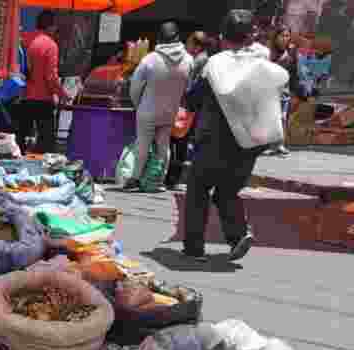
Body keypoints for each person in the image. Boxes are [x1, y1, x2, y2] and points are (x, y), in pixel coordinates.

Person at [183, 9, 285, 262]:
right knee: (227, 191)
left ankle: (194, 248)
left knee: (198, 189)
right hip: (252, 142)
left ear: (222, 37)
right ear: (252, 36)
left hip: (214, 140)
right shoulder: (264, 62)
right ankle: (238, 234)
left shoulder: (216, 64)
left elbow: (193, 99)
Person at [125, 22, 193, 192]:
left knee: (143, 144)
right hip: (170, 111)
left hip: (148, 109)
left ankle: (135, 178)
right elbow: (187, 87)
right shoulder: (188, 60)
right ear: (178, 37)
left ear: (160, 38)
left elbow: (135, 87)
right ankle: (158, 180)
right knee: (164, 145)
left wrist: (138, 104)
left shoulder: (150, 59)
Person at [19, 11, 70, 154]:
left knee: (22, 142)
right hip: (43, 100)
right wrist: (63, 94)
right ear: (51, 26)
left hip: (26, 97)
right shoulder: (51, 45)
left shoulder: (28, 42)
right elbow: (51, 77)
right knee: (46, 144)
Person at [266, 26, 300, 156]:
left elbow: (294, 72)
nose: (285, 38)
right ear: (276, 37)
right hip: (269, 91)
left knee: (282, 118)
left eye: (287, 35)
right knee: (270, 118)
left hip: (284, 92)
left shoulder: (291, 52)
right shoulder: (269, 53)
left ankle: (279, 144)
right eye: (282, 35)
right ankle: (269, 144)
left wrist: (296, 90)